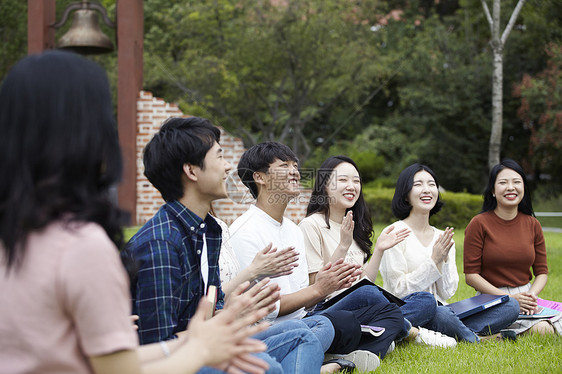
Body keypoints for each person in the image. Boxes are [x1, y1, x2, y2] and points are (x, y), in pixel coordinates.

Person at [0, 51, 272, 374]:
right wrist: (200, 347)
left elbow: (97, 360)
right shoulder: (82, 246)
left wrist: (198, 339)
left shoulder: (19, 234)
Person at [122, 117, 327, 373]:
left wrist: (232, 314)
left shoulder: (209, 231)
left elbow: (210, 309)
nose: (229, 167)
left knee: (300, 332)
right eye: (219, 157)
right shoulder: (160, 245)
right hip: (171, 360)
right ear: (192, 171)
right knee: (267, 366)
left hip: (200, 343)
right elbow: (158, 349)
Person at [229, 143, 405, 372]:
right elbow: (267, 310)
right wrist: (320, 290)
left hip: (307, 318)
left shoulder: (292, 230)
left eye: (295, 165)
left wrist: (325, 286)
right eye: (284, 166)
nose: (295, 172)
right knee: (329, 324)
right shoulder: (245, 231)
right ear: (259, 177)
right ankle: (327, 355)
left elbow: (306, 297)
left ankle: (336, 354)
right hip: (274, 330)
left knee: (380, 313)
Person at [300, 156, 457, 348]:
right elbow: (315, 288)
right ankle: (409, 332)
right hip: (327, 311)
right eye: (343, 180)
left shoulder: (354, 227)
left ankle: (379, 332)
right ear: (324, 185)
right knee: (368, 293)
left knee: (425, 300)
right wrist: (342, 246)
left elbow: (364, 280)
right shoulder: (311, 225)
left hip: (361, 308)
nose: (351, 186)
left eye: (356, 181)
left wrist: (380, 250)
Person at [379, 163, 520, 342]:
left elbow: (447, 292)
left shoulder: (442, 236)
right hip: (416, 310)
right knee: (434, 307)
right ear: (405, 194)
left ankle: (449, 332)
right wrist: (433, 260)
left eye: (431, 184)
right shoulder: (394, 232)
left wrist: (442, 261)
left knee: (511, 306)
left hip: (445, 310)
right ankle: (476, 338)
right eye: (418, 184)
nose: (427, 190)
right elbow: (397, 291)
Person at [464, 158, 562, 335]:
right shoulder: (478, 224)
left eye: (517, 182)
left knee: (549, 326)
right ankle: (496, 334)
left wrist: (531, 295)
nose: (511, 187)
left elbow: (542, 272)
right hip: (492, 298)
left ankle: (501, 334)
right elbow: (471, 276)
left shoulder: (533, 224)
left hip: (527, 297)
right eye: (503, 182)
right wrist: (510, 299)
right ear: (493, 190)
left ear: (523, 188)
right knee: (543, 331)